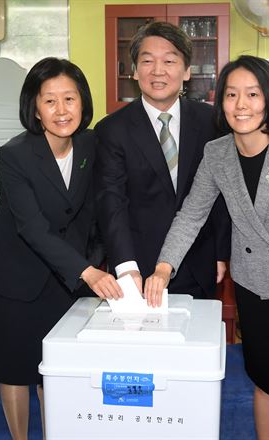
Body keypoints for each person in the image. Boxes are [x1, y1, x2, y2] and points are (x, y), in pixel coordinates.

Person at [145, 55, 269, 440]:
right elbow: (191, 214)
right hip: (252, 286)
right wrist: (164, 266)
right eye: (231, 94)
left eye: (252, 93)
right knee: (264, 379)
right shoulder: (217, 154)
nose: (241, 104)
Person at [0, 57, 122, 440]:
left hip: (65, 278)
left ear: (83, 103)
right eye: (50, 101)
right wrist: (87, 272)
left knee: (56, 367)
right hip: (16, 278)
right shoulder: (15, 155)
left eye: (69, 99)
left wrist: (94, 261)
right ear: (35, 108)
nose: (62, 110)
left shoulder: (92, 144)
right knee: (16, 369)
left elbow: (95, 211)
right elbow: (32, 228)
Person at [94, 21, 230, 298]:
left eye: (169, 60)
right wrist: (125, 265)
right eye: (147, 61)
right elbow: (111, 201)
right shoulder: (112, 129)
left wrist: (220, 252)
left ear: (187, 71)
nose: (158, 71)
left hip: (198, 260)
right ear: (134, 71)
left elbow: (221, 193)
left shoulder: (211, 122)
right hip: (139, 268)